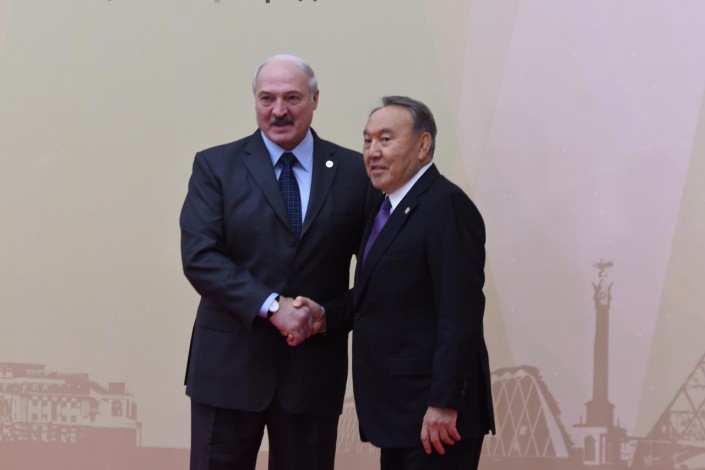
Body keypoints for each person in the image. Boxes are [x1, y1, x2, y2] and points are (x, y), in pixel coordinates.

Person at [179, 54, 375, 470]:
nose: (279, 110)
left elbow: (378, 273)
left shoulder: (355, 173)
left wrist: (326, 316)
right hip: (227, 371)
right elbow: (200, 257)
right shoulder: (216, 166)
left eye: (292, 98)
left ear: (315, 99)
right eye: (267, 98)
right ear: (255, 100)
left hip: (312, 375)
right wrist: (271, 306)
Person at [297, 96, 495, 469]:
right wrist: (326, 316)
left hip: (436, 417)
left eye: (385, 140)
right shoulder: (384, 207)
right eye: (367, 141)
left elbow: (460, 313)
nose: (372, 152)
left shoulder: (446, 205)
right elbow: (379, 291)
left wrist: (444, 402)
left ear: (423, 145)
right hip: (400, 412)